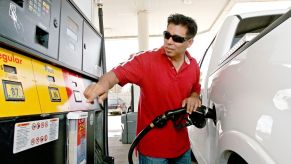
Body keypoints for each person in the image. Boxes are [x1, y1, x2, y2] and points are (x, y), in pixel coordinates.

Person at [84, 13, 201, 164]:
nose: (169, 42)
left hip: (182, 147)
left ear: (189, 42)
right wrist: (102, 84)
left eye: (177, 39)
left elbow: (195, 88)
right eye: (167, 35)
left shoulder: (193, 66)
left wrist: (194, 97)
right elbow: (116, 73)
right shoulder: (145, 60)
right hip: (152, 150)